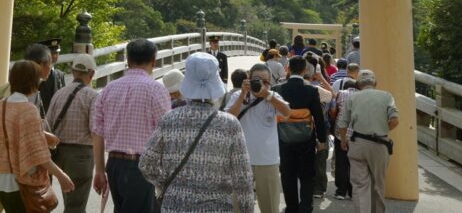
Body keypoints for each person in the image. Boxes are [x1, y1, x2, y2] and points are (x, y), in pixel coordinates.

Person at [140, 53, 255, 213]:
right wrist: (247, 209)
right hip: (217, 207)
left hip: (174, 206)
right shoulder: (229, 124)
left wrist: (166, 183)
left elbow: (146, 164)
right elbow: (242, 178)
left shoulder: (169, 119)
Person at [0, 60, 74, 212]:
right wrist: (62, 175)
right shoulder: (28, 110)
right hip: (18, 181)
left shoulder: (1, 105)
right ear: (32, 82)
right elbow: (38, 154)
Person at [92, 38, 171, 212]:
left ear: (127, 61)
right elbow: (167, 134)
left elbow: (97, 132)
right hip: (143, 167)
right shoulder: (156, 89)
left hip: (113, 165)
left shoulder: (109, 89)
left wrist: (99, 170)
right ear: (153, 61)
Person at [226, 63, 290, 213]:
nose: (260, 84)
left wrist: (268, 95)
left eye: (265, 81)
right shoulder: (238, 96)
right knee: (237, 207)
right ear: (248, 79)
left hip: (267, 160)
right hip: (241, 160)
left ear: (270, 83)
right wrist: (242, 94)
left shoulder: (274, 96)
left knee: (270, 207)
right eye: (256, 80)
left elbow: (287, 112)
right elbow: (228, 119)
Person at [338, 70, 399, 213]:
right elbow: (395, 120)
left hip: (358, 143)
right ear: (375, 83)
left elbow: (342, 123)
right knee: (378, 184)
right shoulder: (386, 96)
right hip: (380, 144)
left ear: (358, 83)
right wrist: (382, 130)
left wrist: (343, 140)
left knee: (360, 185)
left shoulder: (352, 98)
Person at [45, 53, 99, 213]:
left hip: (59, 154)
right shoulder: (92, 96)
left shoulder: (59, 94)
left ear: (73, 71)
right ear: (92, 74)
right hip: (81, 156)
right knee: (76, 206)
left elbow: (47, 127)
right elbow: (94, 130)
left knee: (70, 200)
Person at [275, 55, 329, 213]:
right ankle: (305, 207)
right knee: (307, 175)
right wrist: (321, 139)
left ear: (288, 69)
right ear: (305, 70)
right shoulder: (311, 90)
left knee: (288, 174)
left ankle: (291, 208)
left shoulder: (278, 89)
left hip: (284, 138)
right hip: (306, 138)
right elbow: (318, 117)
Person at [331, 78, 358, 200]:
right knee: (354, 163)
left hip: (340, 132)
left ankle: (341, 191)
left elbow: (334, 111)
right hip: (356, 134)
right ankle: (353, 192)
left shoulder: (340, 93)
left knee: (341, 162)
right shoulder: (361, 95)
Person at [24, 42, 53, 117]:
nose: (51, 67)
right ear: (41, 65)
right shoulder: (29, 92)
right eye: (50, 63)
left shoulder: (19, 84)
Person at [39, 38, 66, 112]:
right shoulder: (36, 74)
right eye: (51, 53)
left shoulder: (60, 75)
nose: (54, 56)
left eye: (56, 53)